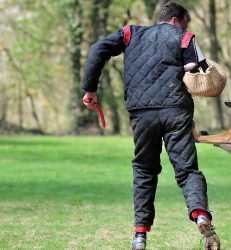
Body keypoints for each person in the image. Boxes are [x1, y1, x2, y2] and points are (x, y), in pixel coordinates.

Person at [81, 2, 220, 250]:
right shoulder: (185, 37)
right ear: (177, 20)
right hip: (176, 109)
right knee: (187, 170)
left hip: (141, 112)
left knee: (145, 170)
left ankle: (140, 236)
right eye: (185, 23)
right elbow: (197, 71)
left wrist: (90, 89)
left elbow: (97, 49)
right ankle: (200, 215)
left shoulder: (130, 33)